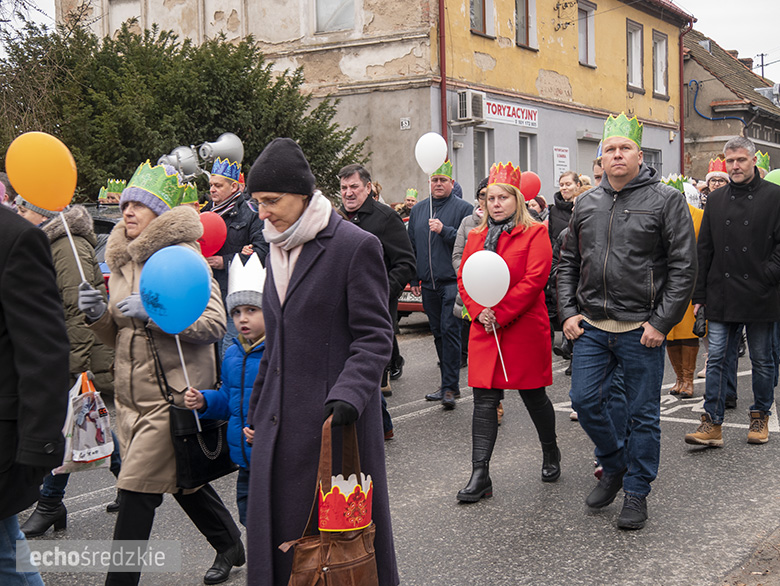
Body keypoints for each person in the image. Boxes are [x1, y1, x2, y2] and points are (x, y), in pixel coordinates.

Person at [78, 161, 244, 586]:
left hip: (171, 399)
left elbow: (214, 325)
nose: (127, 211)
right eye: (125, 204)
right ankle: (228, 542)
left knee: (136, 491)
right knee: (183, 481)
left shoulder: (185, 258)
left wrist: (155, 314)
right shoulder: (121, 262)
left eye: (138, 205)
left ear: (160, 213)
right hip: (130, 402)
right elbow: (120, 335)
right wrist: (98, 317)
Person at [243, 138, 398, 586]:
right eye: (257, 203)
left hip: (331, 426)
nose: (263, 213)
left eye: (272, 201)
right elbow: (276, 342)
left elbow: (375, 335)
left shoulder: (354, 245)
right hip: (278, 427)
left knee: (335, 557)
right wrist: (257, 407)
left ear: (303, 194)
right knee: (279, 547)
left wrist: (349, 394)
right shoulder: (275, 247)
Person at [557, 112, 696, 530]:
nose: (617, 155)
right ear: (601, 158)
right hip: (593, 327)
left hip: (641, 329)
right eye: (610, 149)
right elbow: (568, 262)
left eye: (625, 148)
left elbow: (683, 267)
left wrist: (661, 323)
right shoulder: (587, 203)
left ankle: (637, 491)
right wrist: (568, 313)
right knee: (584, 401)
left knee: (642, 415)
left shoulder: (665, 200)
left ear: (640, 155)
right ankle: (615, 463)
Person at [14, 201, 120, 538]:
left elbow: (78, 310)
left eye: (24, 209)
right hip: (60, 350)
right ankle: (129, 482)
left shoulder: (66, 245)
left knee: (66, 425)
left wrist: (73, 363)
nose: (18, 214)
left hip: (71, 352)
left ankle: (50, 503)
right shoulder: (50, 242)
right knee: (88, 423)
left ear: (43, 212)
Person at [456, 162, 558, 502]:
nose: (495, 204)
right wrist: (477, 311)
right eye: (490, 198)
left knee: (533, 396)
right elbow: (465, 277)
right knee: (484, 400)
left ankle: (550, 450)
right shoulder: (475, 236)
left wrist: (500, 314)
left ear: (517, 199)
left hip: (522, 326)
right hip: (485, 327)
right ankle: (480, 473)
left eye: (503, 197)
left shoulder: (535, 233)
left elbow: (534, 280)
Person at [685, 137, 780, 447]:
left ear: (753, 161)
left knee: (762, 360)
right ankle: (712, 423)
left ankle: (760, 415)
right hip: (722, 292)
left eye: (741, 160)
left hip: (761, 292)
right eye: (730, 161)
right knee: (716, 360)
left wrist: (768, 274)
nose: (735, 166)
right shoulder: (715, 200)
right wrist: (699, 296)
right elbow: (704, 249)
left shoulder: (774, 196)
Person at [0, 204, 69, 586]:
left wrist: (38, 446)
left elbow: (44, 352)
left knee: (6, 559)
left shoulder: (15, 237)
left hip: (4, 438)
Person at [185, 253, 265, 526]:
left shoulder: (279, 353)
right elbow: (230, 399)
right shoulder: (233, 353)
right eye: (237, 312)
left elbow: (290, 405)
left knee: (272, 520)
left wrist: (269, 430)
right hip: (243, 459)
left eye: (252, 310)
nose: (243, 318)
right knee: (248, 518)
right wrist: (205, 401)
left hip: (273, 458)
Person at [338, 163, 416, 436]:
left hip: (375, 310)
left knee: (366, 370)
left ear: (368, 187)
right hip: (343, 310)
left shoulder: (386, 218)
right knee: (351, 370)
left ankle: (376, 430)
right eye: (344, 188)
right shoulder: (337, 218)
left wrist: (381, 292)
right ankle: (376, 426)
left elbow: (406, 263)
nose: (348, 193)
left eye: (354, 187)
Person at [407, 160, 473, 408]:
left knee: (450, 331)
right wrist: (413, 277)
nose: (438, 184)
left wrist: (445, 230)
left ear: (451, 183)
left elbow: (470, 242)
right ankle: (447, 384)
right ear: (429, 182)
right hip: (428, 284)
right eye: (434, 180)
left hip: (452, 282)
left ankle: (450, 387)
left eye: (442, 180)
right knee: (437, 332)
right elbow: (411, 246)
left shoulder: (464, 208)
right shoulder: (419, 210)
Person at [203, 157, 269, 357]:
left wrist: (225, 261)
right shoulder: (204, 214)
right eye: (211, 185)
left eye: (218, 185)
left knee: (229, 354)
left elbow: (262, 251)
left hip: (237, 299)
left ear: (233, 187)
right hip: (209, 297)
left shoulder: (251, 214)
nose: (212, 190)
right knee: (211, 356)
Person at [658, 178, 704, 399]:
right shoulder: (660, 214)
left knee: (688, 332)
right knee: (670, 333)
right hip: (664, 282)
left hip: (690, 282)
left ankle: (688, 380)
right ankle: (678, 379)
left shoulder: (699, 216)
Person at [548, 170, 582, 243]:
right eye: (561, 185)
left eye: (568, 184)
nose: (564, 188)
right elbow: (550, 236)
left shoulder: (584, 207)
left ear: (578, 185)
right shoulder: (554, 210)